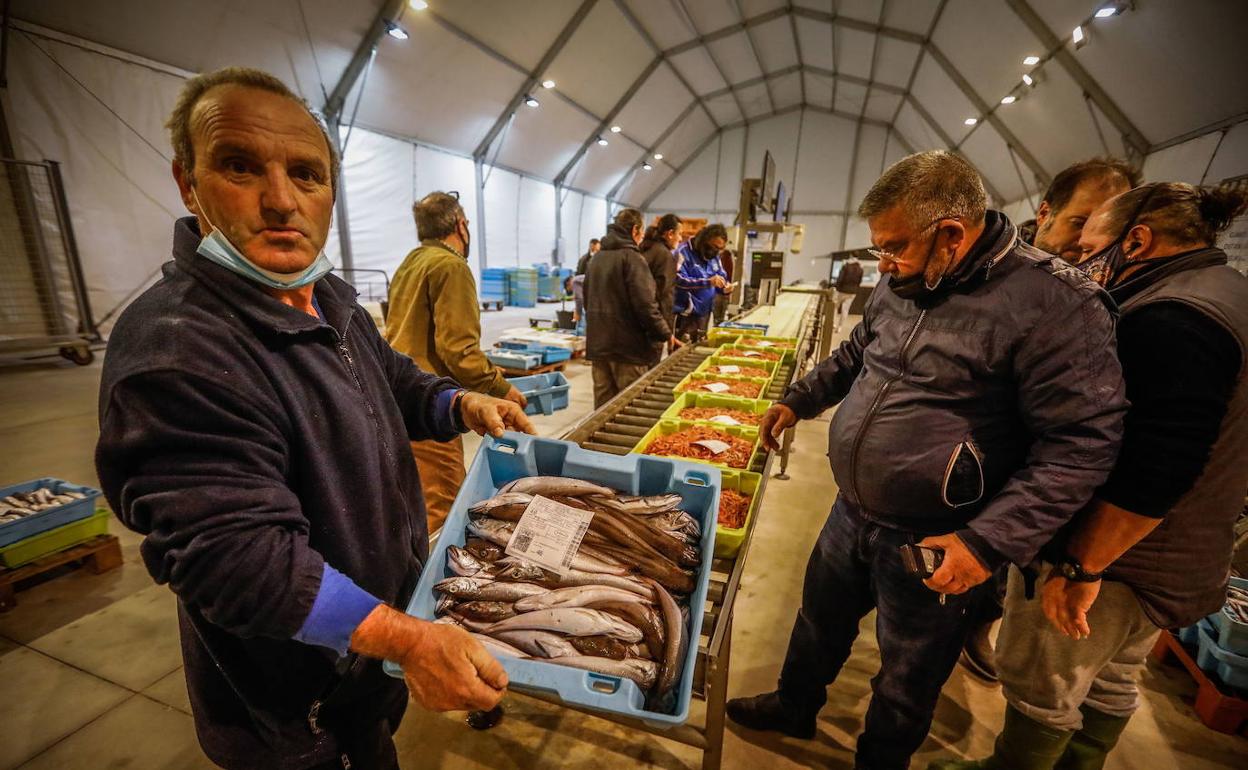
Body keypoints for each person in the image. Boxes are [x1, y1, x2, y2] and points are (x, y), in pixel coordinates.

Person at [94, 67, 535, 770]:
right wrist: (409, 641)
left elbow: (387, 377)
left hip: (364, 681)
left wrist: (457, 402)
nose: (280, 200)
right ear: (188, 182)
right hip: (295, 717)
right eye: (240, 166)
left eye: (306, 174)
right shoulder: (177, 349)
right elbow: (238, 560)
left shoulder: (322, 295)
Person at [725, 151, 1127, 770]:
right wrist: (800, 400)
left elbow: (1081, 444)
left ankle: (878, 760)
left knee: (908, 671)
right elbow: (861, 352)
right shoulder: (907, 279)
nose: (884, 263)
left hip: (939, 535)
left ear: (951, 235)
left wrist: (989, 542)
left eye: (892, 248)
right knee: (818, 623)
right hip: (852, 510)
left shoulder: (1055, 304)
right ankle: (794, 704)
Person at [931, 183, 1248, 770]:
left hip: (1117, 559)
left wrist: (1081, 566)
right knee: (1110, 679)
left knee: (1043, 684)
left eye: (1089, 248)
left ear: (1137, 240)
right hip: (1179, 554)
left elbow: (1156, 466)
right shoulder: (1228, 292)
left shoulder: (1170, 319)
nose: (1079, 261)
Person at [959, 155, 1137, 685]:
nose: (1093, 239)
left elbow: (1085, 432)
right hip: (977, 461)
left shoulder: (1095, 289)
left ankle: (978, 627)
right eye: (1082, 220)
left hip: (1039, 469)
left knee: (1001, 572)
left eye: (1112, 226)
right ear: (1047, 211)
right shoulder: (999, 275)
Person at [385, 191, 528, 533]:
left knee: (414, 498)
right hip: (430, 404)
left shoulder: (412, 261)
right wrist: (499, 387)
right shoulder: (451, 266)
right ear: (461, 225)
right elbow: (459, 349)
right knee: (444, 504)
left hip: (395, 396)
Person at [584, 208, 680, 408]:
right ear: (635, 230)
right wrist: (665, 333)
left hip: (599, 346)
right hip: (628, 350)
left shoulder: (596, 259)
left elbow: (587, 301)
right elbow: (646, 305)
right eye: (642, 231)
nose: (643, 236)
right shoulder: (633, 259)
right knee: (627, 407)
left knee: (602, 410)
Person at [1023, 157, 1140, 262]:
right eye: (1079, 224)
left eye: (1104, 231)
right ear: (1044, 214)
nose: (1086, 241)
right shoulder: (1005, 259)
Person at [673, 223, 731, 342]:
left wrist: (725, 287)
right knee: (681, 353)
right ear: (704, 241)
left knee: (701, 345)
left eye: (720, 249)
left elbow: (721, 276)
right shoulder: (682, 252)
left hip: (705, 314)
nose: (716, 252)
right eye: (714, 247)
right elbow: (677, 279)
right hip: (686, 316)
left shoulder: (714, 257)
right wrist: (707, 282)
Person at [639, 213, 681, 333]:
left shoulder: (646, 248)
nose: (680, 238)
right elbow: (660, 293)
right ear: (670, 234)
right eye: (679, 234)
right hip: (655, 321)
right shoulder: (664, 256)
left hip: (640, 320)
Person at [832, 254, 863, 332]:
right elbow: (859, 281)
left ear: (850, 256)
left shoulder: (846, 266)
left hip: (842, 290)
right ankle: (839, 327)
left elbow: (840, 278)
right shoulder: (860, 268)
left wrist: (837, 287)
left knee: (835, 307)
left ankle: (833, 323)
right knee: (845, 310)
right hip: (852, 292)